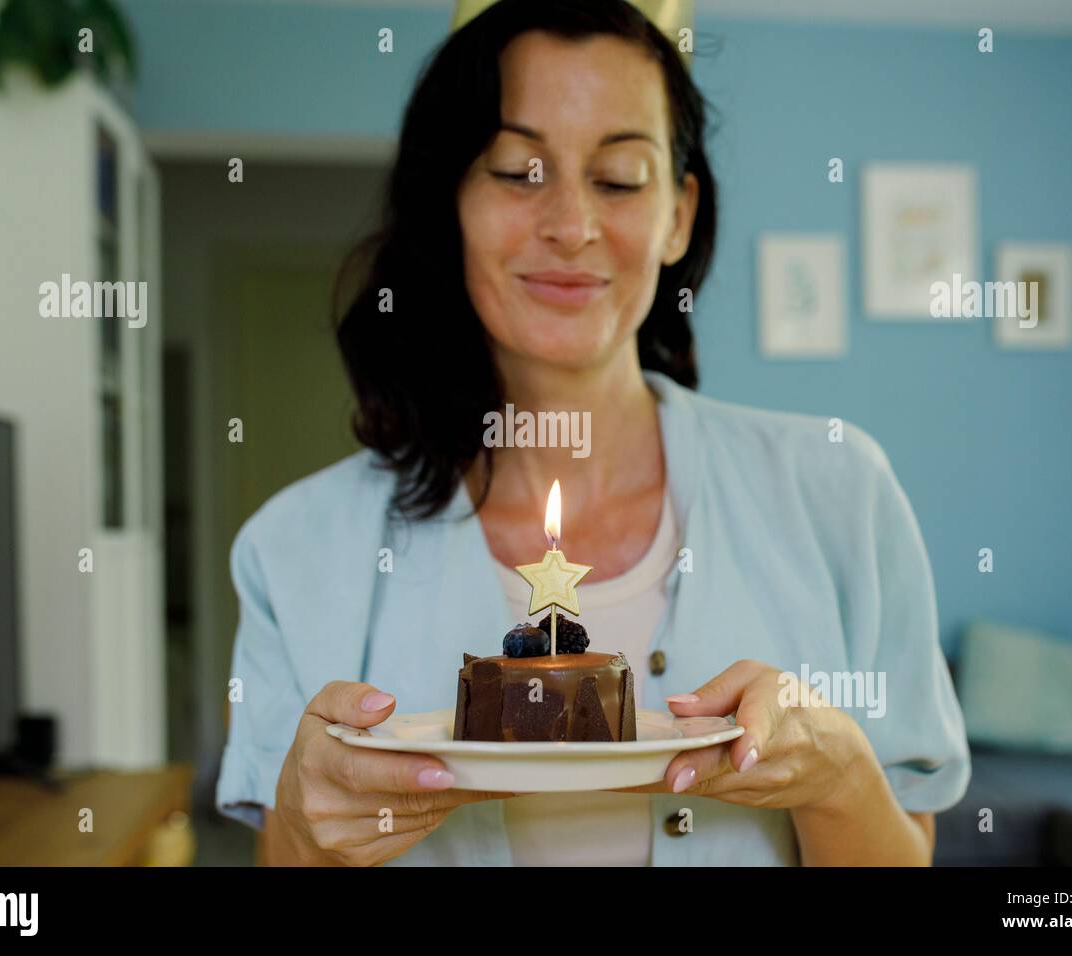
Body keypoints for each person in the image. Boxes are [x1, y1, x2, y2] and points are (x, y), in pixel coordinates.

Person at [216, 0, 970, 866]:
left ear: (679, 214)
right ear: (448, 199)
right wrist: (312, 834)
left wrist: (838, 779)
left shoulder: (842, 490)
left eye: (617, 178)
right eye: (514, 170)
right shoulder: (295, 549)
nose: (571, 226)